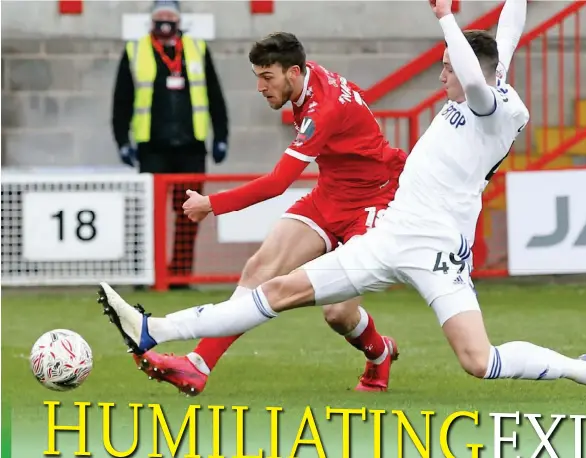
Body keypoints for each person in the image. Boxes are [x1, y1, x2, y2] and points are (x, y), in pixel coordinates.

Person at [98, 0, 586, 401]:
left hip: (435, 250)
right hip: (390, 235)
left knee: (479, 362)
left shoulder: (491, 108)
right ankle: (158, 331)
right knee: (277, 287)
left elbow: (477, 81)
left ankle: (581, 369)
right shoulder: (488, 77)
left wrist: (445, 16)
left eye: (446, 68)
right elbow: (507, 33)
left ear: (465, 72)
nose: (440, 75)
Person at [126, 31, 408, 395]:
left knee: (338, 314)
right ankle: (198, 365)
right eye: (257, 76)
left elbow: (278, 183)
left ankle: (379, 352)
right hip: (330, 195)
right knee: (259, 269)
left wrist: (212, 204)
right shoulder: (307, 76)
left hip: (374, 203)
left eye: (266, 77)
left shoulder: (324, 109)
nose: (259, 86)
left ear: (293, 72)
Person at [112, 0, 229, 287]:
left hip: (191, 146)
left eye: (170, 15)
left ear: (179, 20)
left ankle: (179, 274)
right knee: (148, 215)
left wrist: (222, 136)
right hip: (153, 147)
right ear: (152, 20)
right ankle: (147, 273)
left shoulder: (197, 50)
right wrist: (122, 141)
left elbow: (215, 96)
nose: (165, 20)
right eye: (160, 15)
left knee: (190, 213)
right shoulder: (135, 49)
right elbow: (122, 101)